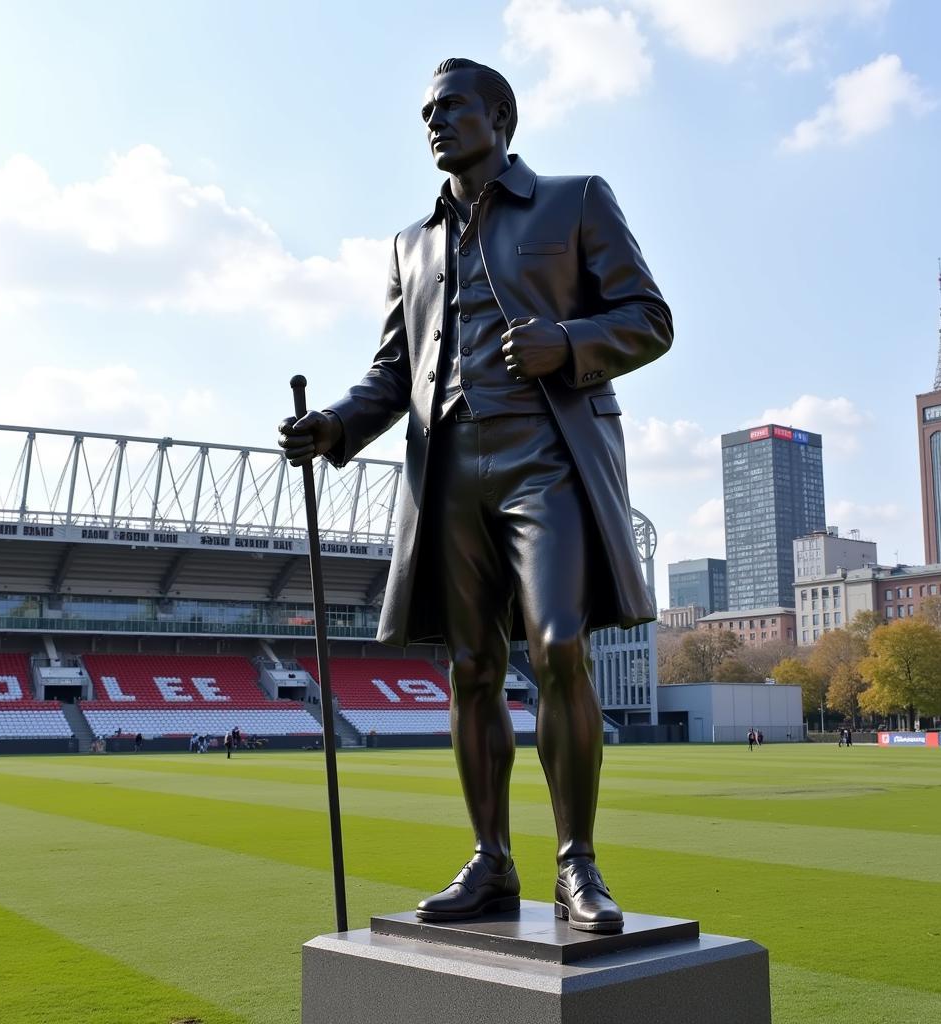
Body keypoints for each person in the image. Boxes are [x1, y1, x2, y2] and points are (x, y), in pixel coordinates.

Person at [279, 58, 672, 934]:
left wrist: (565, 341)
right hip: (447, 468)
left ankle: (577, 865)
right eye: (425, 110)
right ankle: (492, 862)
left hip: (548, 458)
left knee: (560, 645)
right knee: (469, 670)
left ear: (499, 115)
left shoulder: (575, 201)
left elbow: (650, 316)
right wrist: (336, 427)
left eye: (450, 106)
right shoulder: (409, 244)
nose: (434, 121)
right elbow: (393, 373)